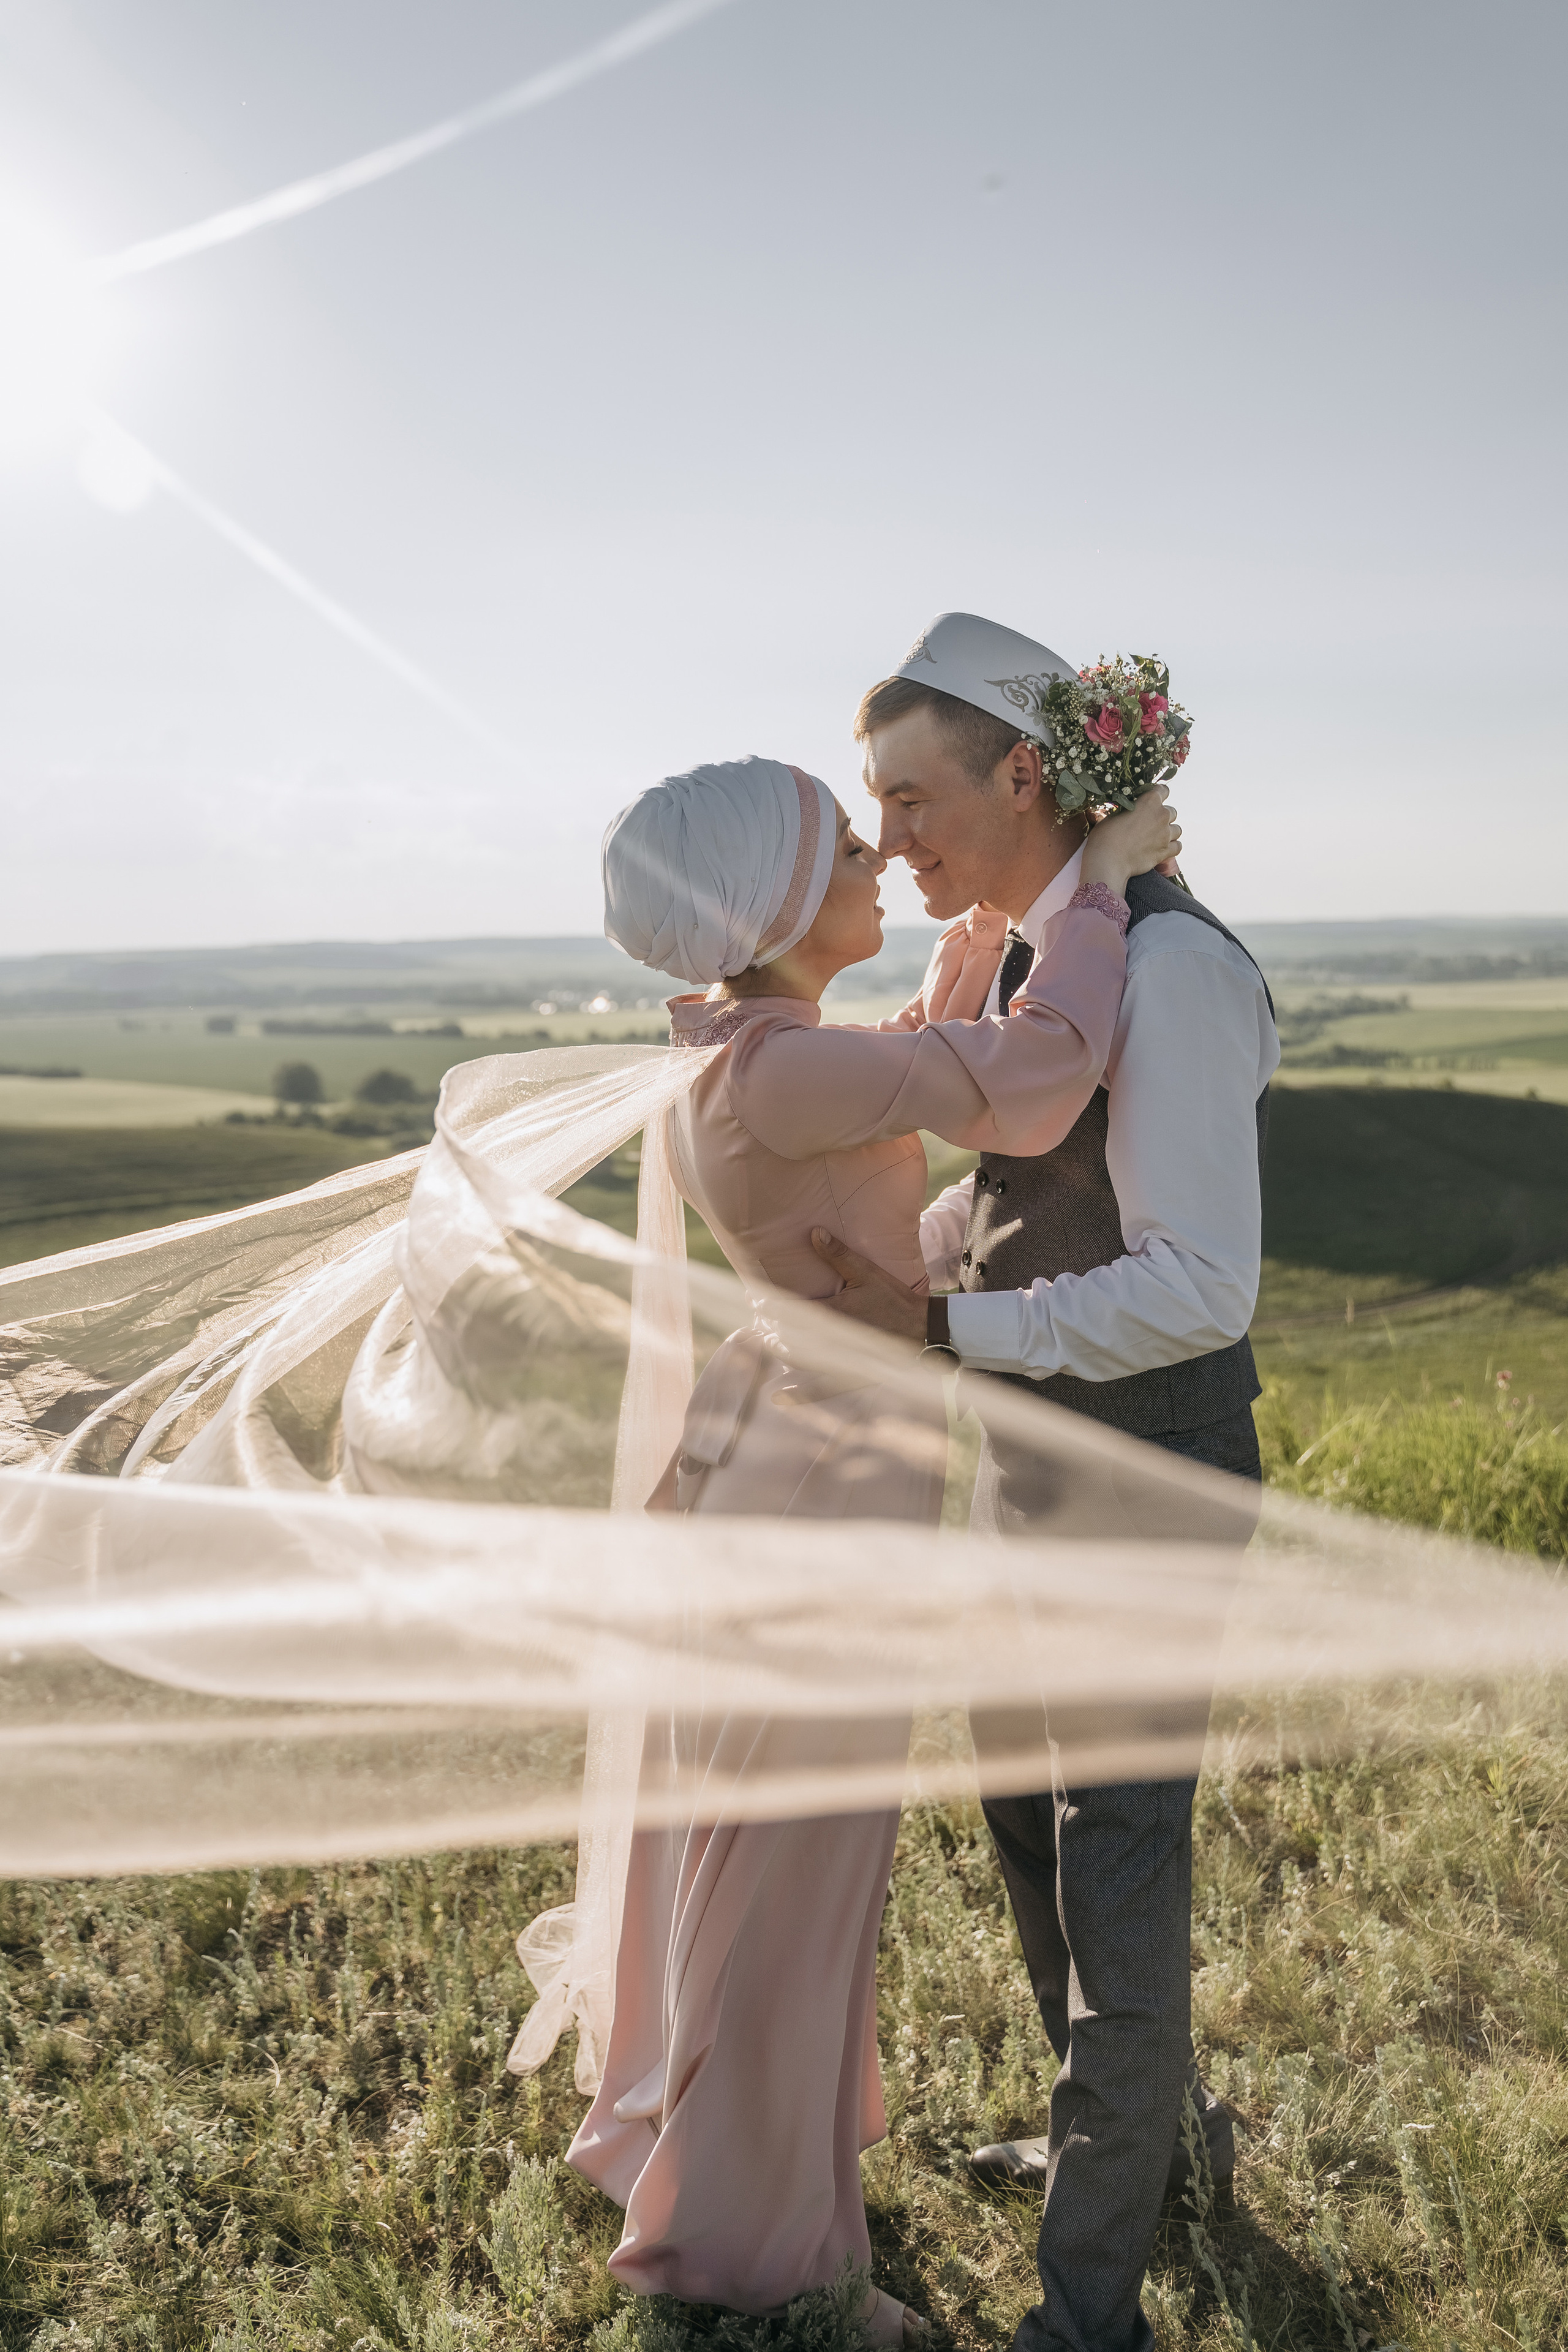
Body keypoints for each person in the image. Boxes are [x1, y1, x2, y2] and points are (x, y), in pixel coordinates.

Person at [571, 754, 1179, 2343]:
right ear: (771, 902)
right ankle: (754, 2258)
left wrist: (969, 953)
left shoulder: (757, 1054)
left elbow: (905, 1068)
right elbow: (1037, 1078)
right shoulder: (780, 1075)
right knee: (793, 1879)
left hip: (800, 1458)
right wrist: (1102, 889)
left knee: (787, 1862)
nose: (876, 855)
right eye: (845, 845)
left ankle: (749, 2177)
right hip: (822, 1492)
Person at [809, 612, 1280, 2352]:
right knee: (1029, 1825)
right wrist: (884, 1264)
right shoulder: (1040, 955)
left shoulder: (1171, 970)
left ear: (1023, 775)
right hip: (1034, 1455)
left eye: (913, 799)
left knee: (1119, 1869)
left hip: (1150, 1476)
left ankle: (1089, 2316)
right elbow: (1021, 1206)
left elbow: (1197, 1286)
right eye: (875, 805)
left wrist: (940, 1328)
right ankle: (1146, 2152)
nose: (891, 842)